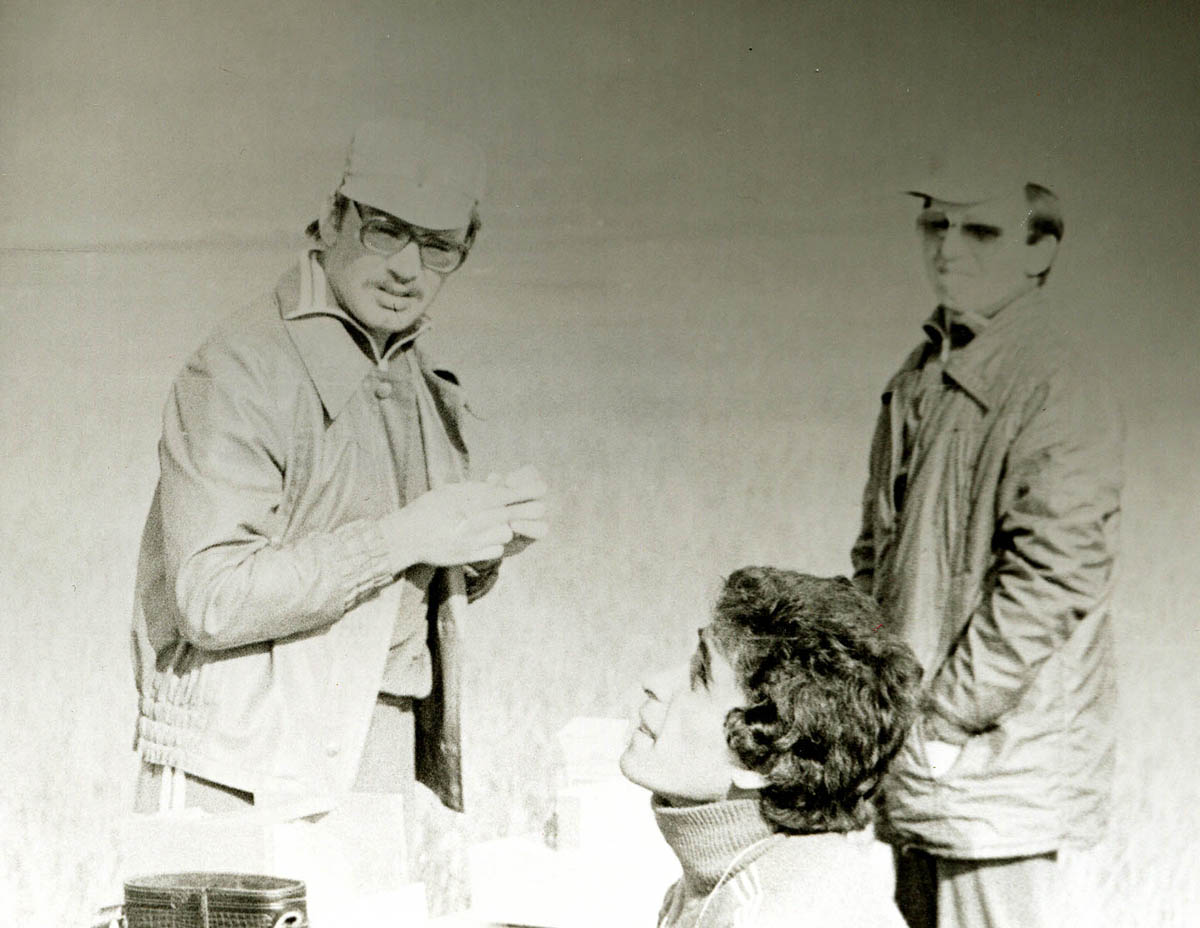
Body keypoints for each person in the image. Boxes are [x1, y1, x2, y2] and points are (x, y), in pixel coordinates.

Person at [130, 117, 548, 828]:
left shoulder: (415, 375)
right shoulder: (241, 367)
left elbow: (400, 583)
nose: (408, 269)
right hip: (235, 767)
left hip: (373, 747)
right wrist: (405, 536)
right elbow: (211, 598)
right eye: (387, 230)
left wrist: (479, 547)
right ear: (332, 218)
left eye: (438, 246)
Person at [851, 157, 1124, 928]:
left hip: (997, 768)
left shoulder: (1056, 380)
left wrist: (944, 723)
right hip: (921, 757)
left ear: (1041, 249)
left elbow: (1054, 578)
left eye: (981, 231)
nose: (949, 247)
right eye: (935, 224)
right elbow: (875, 555)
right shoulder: (922, 372)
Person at [620, 566, 921, 928]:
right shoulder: (724, 877)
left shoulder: (774, 915)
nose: (653, 682)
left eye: (701, 677)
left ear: (763, 764)